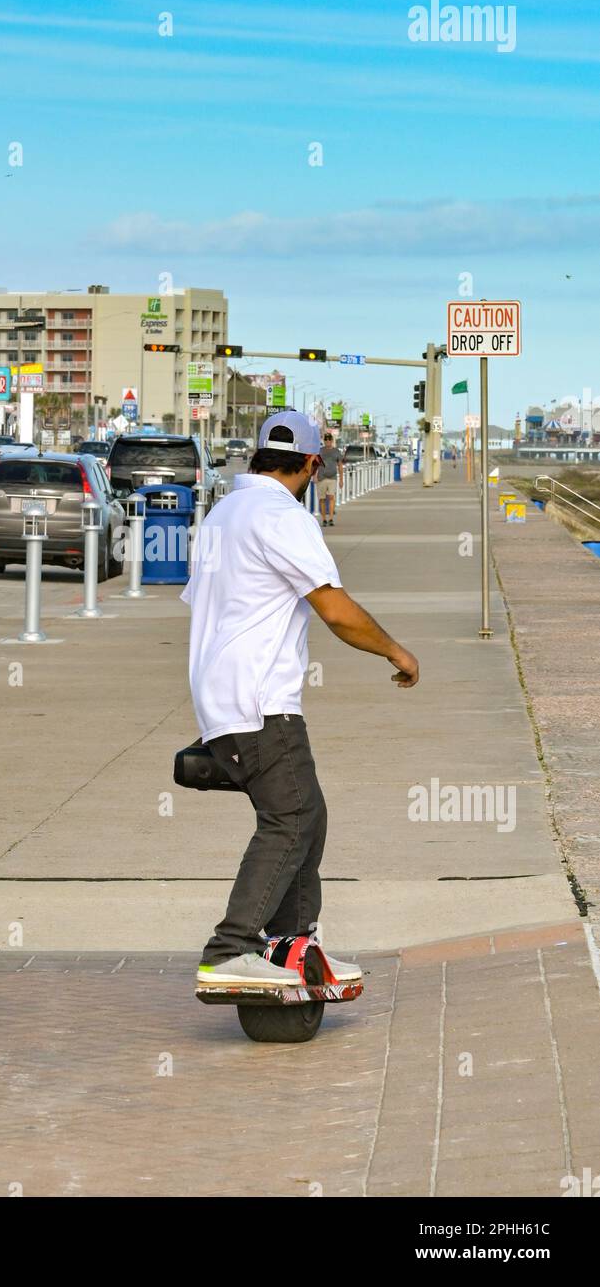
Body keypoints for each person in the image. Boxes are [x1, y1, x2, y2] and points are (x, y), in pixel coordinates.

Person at [181, 411, 419, 990]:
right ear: (313, 463)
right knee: (292, 818)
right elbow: (336, 611)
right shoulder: (283, 517)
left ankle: (292, 945)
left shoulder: (221, 514)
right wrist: (396, 652)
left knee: (305, 814)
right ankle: (231, 947)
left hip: (218, 694)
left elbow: (204, 603)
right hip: (260, 699)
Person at [315, 431, 343, 526]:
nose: (327, 441)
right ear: (324, 441)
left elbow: (340, 465)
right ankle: (323, 519)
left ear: (332, 440)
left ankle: (331, 518)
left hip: (332, 477)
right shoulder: (320, 451)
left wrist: (341, 480)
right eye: (326, 440)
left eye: (329, 439)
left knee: (331, 497)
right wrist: (314, 476)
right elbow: (315, 464)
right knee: (322, 499)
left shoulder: (336, 451)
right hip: (321, 478)